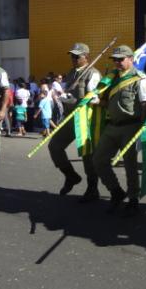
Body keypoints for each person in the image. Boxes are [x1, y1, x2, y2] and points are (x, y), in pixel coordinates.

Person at [92, 45, 146, 215]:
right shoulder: (111, 78)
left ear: (131, 59)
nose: (117, 62)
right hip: (111, 126)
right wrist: (97, 101)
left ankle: (133, 199)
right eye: (115, 59)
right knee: (99, 160)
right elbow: (107, 102)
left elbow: (145, 104)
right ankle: (116, 192)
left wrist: (142, 129)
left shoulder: (140, 78)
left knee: (130, 166)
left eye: (121, 59)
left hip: (131, 126)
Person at [48, 43, 101, 198]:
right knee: (55, 146)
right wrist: (65, 98)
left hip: (86, 118)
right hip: (70, 117)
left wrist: (75, 100)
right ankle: (71, 176)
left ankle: (92, 188)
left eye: (77, 56)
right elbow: (68, 92)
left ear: (86, 57)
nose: (73, 58)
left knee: (87, 155)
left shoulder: (93, 73)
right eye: (72, 56)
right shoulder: (71, 73)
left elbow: (94, 98)